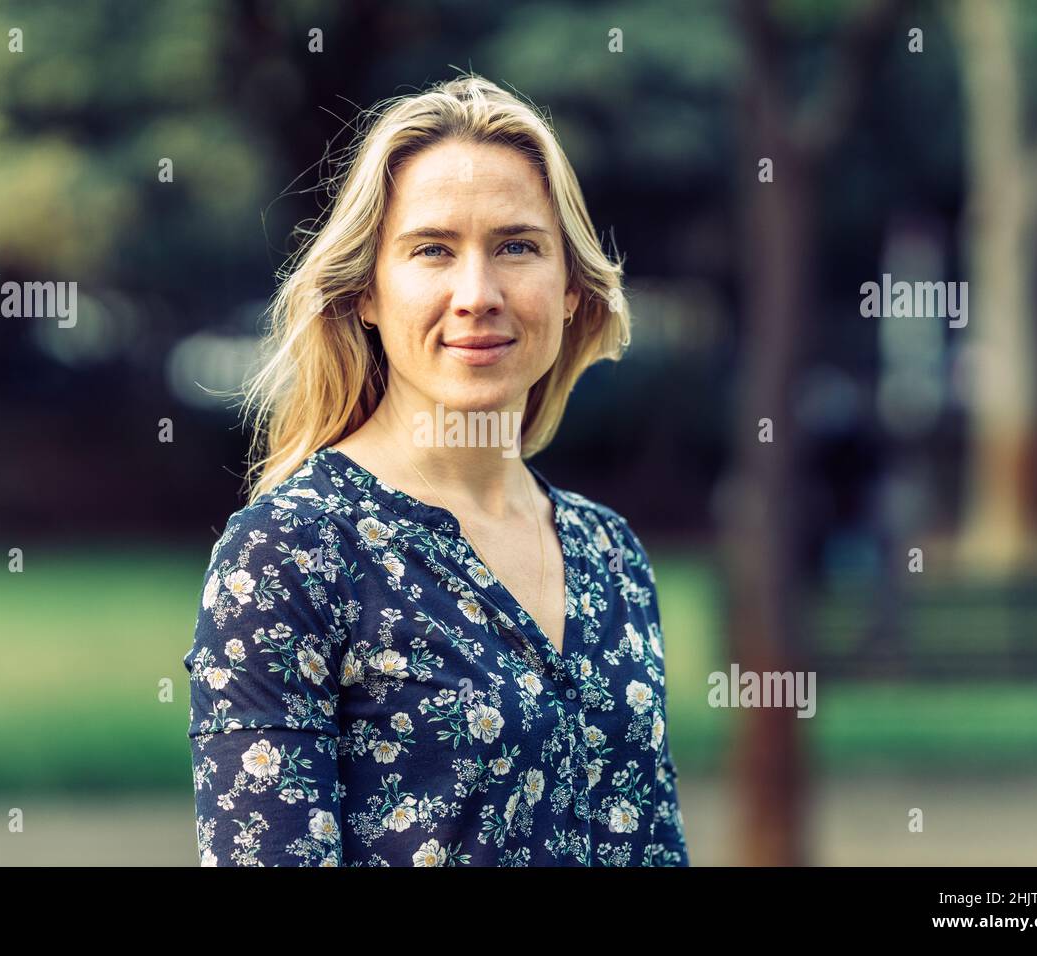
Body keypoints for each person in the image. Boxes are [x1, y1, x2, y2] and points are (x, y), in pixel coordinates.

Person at [183, 72, 689, 866]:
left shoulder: (609, 555)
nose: (477, 293)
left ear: (568, 289)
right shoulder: (294, 554)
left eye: (517, 247)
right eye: (432, 250)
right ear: (367, 295)